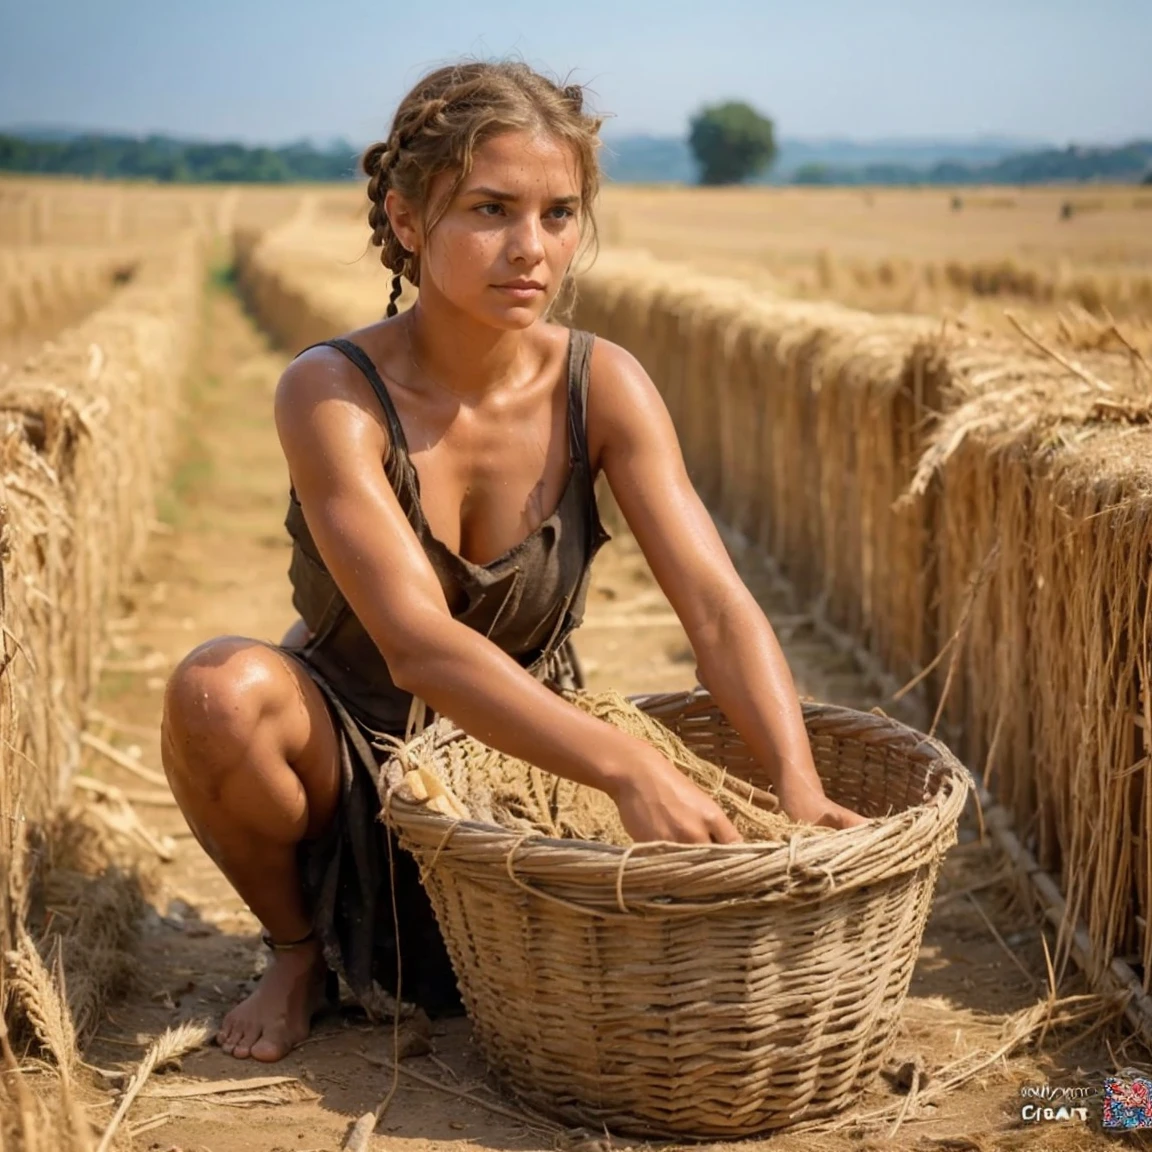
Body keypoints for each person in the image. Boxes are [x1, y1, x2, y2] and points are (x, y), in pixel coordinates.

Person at [160, 59, 865, 1065]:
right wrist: (627, 767)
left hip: (532, 762)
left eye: (560, 213)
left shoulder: (603, 385)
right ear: (407, 221)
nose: (531, 249)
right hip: (353, 756)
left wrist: (794, 777)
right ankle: (297, 949)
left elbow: (714, 604)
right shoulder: (330, 391)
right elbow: (419, 649)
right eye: (491, 209)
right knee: (216, 694)